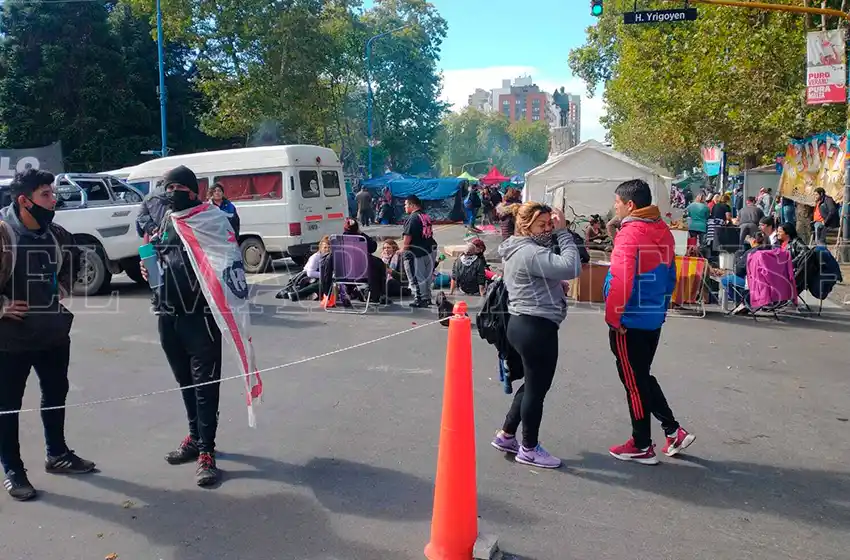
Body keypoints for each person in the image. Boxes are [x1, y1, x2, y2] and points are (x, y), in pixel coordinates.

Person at [0, 169, 95, 501]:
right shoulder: (3, 233)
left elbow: (76, 255)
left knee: (55, 394)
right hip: (9, 341)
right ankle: (12, 469)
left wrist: (64, 286)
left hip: (53, 333)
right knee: (7, 406)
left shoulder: (54, 232)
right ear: (24, 200)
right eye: (46, 195)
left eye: (53, 194)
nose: (53, 200)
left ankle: (57, 454)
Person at [143, 165, 224, 487]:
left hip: (200, 315)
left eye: (176, 187)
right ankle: (194, 437)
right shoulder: (167, 220)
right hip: (168, 312)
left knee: (205, 386)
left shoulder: (212, 220)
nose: (170, 193)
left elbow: (226, 263)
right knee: (186, 382)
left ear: (192, 191)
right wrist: (149, 268)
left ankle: (207, 452)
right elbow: (163, 255)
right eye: (166, 187)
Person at [604, 179, 695, 466]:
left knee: (634, 382)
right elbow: (671, 273)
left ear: (630, 204)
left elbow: (621, 278)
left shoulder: (630, 234)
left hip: (629, 319)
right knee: (640, 376)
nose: (614, 207)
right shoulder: (661, 230)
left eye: (616, 202)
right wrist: (663, 306)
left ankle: (642, 443)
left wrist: (613, 316)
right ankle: (672, 430)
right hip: (652, 316)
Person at [490, 202, 582, 469]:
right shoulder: (529, 251)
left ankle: (507, 435)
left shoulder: (518, 248)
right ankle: (529, 448)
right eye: (542, 226)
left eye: (550, 225)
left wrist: (553, 286)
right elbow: (571, 266)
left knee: (532, 384)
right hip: (536, 327)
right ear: (525, 226)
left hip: (523, 323)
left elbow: (531, 279)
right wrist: (564, 233)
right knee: (537, 390)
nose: (548, 230)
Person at [341, 218, 389, 305]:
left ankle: (349, 291)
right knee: (379, 265)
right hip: (362, 273)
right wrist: (361, 233)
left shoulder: (339, 240)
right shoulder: (361, 238)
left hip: (343, 274)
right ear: (357, 228)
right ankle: (380, 294)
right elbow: (373, 248)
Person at [402, 195, 438, 308]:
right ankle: (426, 297)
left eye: (406, 204)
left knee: (416, 277)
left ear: (412, 205)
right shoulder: (425, 215)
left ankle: (420, 298)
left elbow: (407, 237)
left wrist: (404, 250)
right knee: (427, 276)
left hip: (417, 251)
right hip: (429, 248)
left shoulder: (412, 218)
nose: (405, 207)